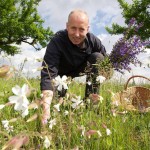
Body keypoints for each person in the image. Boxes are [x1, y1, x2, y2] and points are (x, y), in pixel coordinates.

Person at [40, 9, 106, 125]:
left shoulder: (93, 41)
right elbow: (48, 73)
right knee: (56, 104)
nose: (77, 34)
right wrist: (46, 109)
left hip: (81, 68)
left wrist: (105, 74)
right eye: (73, 28)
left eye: (81, 29)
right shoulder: (56, 42)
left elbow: (105, 61)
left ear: (87, 29)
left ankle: (91, 105)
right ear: (67, 26)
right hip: (61, 76)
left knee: (98, 57)